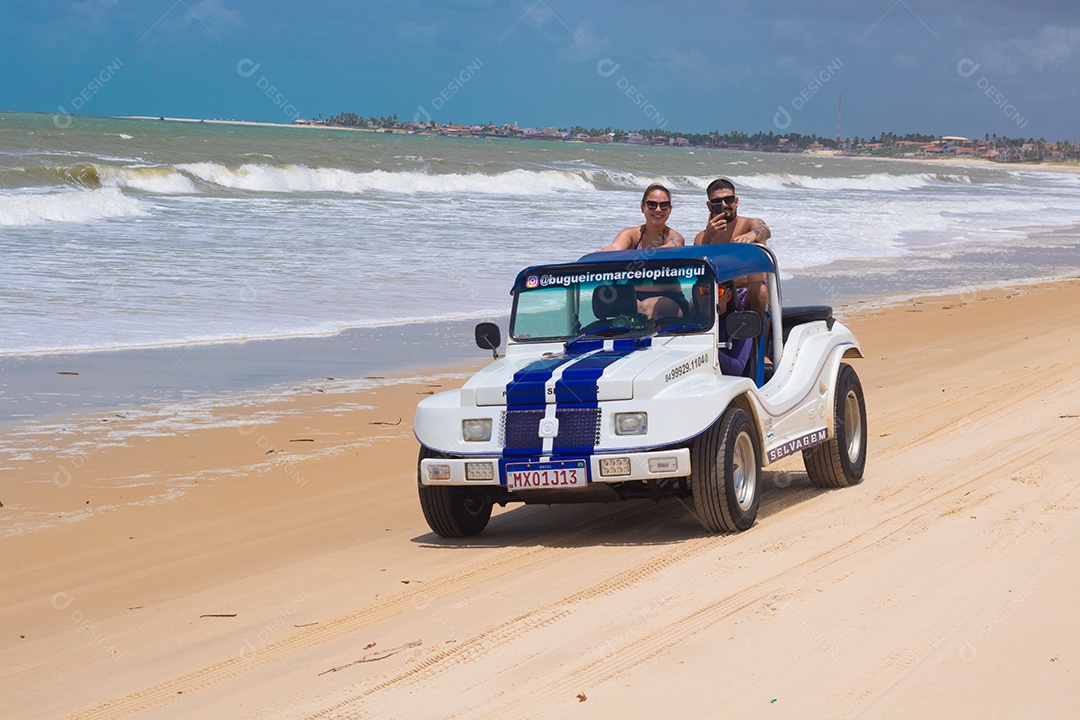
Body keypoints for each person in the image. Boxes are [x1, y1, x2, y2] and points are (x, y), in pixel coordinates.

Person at [693, 178, 771, 325]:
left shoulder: (750, 225)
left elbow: (765, 230)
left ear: (736, 201)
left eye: (728, 199)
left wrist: (751, 236)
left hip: (750, 294)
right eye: (717, 202)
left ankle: (759, 344)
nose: (723, 205)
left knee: (759, 290)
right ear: (709, 205)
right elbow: (699, 271)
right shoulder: (702, 237)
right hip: (719, 296)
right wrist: (709, 238)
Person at [601, 183, 686, 251]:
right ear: (642, 208)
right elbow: (614, 248)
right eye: (652, 205)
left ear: (670, 209)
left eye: (664, 205)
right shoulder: (631, 234)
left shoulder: (675, 237)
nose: (658, 210)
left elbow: (668, 249)